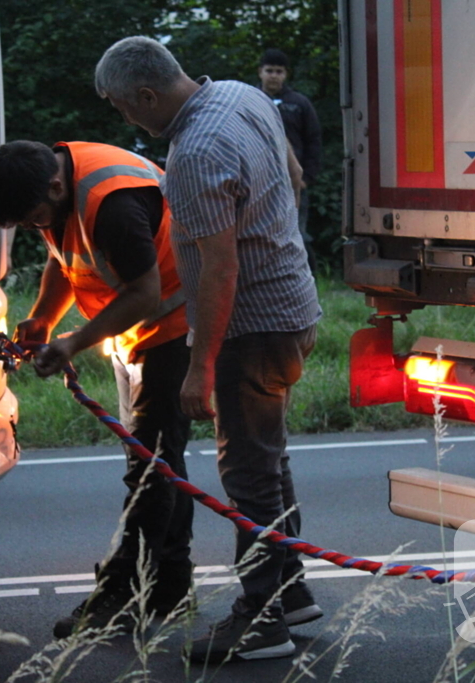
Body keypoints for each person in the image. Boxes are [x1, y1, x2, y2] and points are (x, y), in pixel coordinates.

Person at [95, 37, 324, 663]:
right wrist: (273, 238)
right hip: (292, 306)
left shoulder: (194, 153)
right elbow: (294, 175)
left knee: (247, 474)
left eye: (122, 106)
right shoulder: (241, 96)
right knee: (268, 461)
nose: (125, 118)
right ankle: (291, 592)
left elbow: (219, 269)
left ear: (146, 95)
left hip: (251, 330)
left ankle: (262, 622)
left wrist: (199, 366)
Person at [0, 140, 194, 638]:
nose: (36, 227)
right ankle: (170, 587)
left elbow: (145, 293)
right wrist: (44, 318)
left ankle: (121, 595)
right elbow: (64, 256)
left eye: (34, 218)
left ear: (55, 186)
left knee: (150, 467)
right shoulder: (53, 186)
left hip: (175, 326)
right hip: (135, 331)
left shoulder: (114, 204)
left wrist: (74, 342)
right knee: (161, 462)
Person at [258, 48, 322, 274]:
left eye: (279, 71)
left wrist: (307, 178)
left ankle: (308, 278)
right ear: (260, 72)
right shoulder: (251, 100)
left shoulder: (299, 104)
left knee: (297, 232)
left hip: (293, 182)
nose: (274, 76)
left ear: (286, 74)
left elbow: (314, 140)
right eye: (269, 71)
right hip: (259, 181)